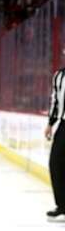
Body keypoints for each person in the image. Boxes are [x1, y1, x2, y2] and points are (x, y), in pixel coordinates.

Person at [45, 68, 65, 222]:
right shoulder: (59, 76)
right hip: (63, 124)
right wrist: (50, 123)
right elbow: (55, 100)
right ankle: (62, 205)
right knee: (55, 163)